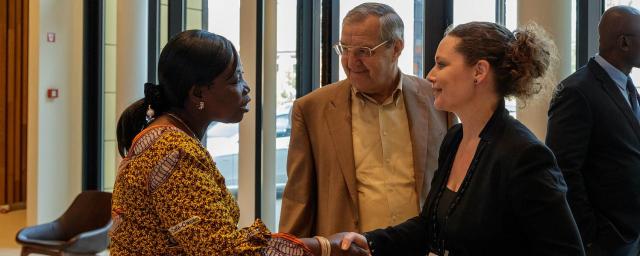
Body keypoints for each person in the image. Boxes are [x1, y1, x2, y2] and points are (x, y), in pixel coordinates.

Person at [335, 21, 585, 255]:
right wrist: (370, 241)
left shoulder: (524, 155)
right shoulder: (455, 139)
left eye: (441, 64)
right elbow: (428, 226)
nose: (431, 75)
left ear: (479, 71)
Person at [109, 30, 367, 256]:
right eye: (235, 80)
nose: (246, 89)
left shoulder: (169, 136)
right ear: (198, 92)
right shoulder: (173, 151)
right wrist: (324, 246)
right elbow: (226, 252)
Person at [279, 2, 450, 238]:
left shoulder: (437, 100)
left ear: (396, 48)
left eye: (363, 51)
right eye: (344, 49)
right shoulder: (312, 110)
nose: (350, 62)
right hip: (348, 251)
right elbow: (298, 200)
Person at [546, 6, 640, 256]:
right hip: (605, 240)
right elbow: (563, 169)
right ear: (624, 43)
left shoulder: (627, 86)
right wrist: (590, 236)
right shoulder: (576, 91)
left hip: (630, 233)